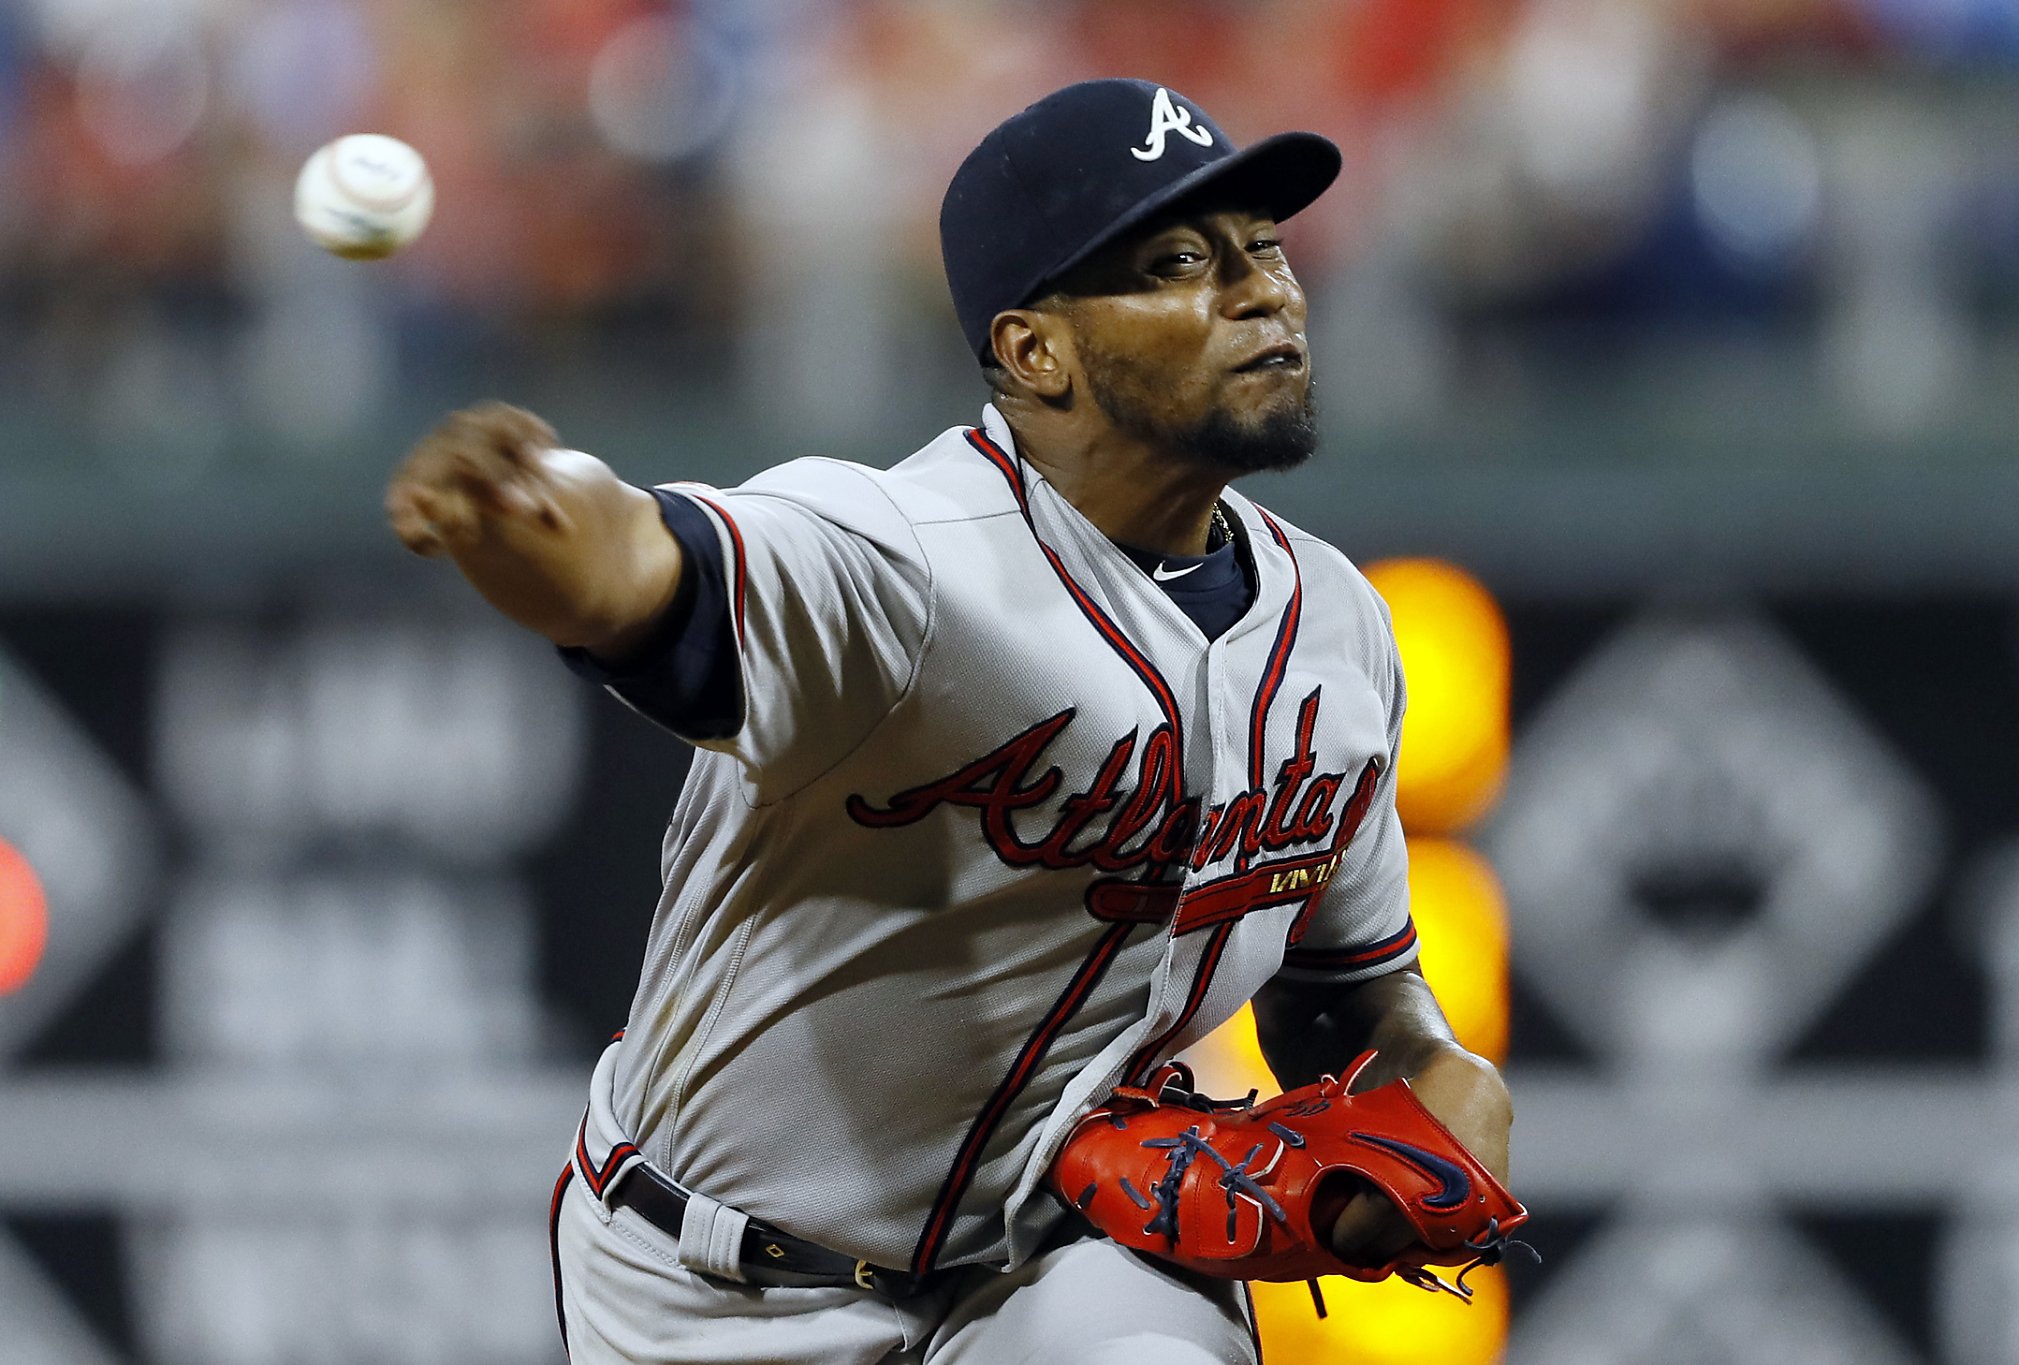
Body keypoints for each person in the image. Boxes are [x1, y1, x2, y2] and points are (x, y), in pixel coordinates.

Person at [386, 78, 1513, 1365]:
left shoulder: (1338, 625)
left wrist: (1427, 1065)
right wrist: (532, 516)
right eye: (1179, 263)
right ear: (1035, 351)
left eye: (1263, 247)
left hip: (1053, 1267)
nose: (1261, 290)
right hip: (719, 1291)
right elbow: (652, 572)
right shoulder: (907, 561)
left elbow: (1340, 992)